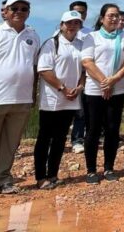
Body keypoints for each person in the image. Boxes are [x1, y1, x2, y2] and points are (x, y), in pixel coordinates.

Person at [0, 0, 41, 196]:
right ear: (5, 12)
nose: (19, 12)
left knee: (10, 143)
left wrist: (32, 94)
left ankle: (2, 180)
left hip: (21, 99)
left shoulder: (33, 36)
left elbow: (32, 67)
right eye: (15, 8)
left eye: (24, 9)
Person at [81, 3, 124, 184]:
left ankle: (109, 167)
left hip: (117, 89)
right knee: (93, 130)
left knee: (112, 129)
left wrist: (114, 80)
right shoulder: (92, 37)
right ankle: (91, 170)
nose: (114, 18)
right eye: (110, 15)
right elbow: (87, 62)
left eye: (117, 15)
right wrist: (105, 82)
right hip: (95, 89)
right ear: (102, 18)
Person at [34, 10, 85, 189]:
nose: (72, 26)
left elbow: (84, 69)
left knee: (60, 138)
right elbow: (44, 70)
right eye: (68, 23)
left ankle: (53, 174)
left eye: (76, 23)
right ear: (61, 24)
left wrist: (79, 87)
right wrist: (62, 88)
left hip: (71, 99)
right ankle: (40, 177)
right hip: (52, 99)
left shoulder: (81, 44)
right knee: (45, 138)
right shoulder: (51, 43)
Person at [68, 1, 90, 155]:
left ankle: (78, 139)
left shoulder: (91, 33)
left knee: (82, 111)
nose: (79, 15)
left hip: (86, 76)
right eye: (76, 12)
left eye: (82, 12)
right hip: (68, 77)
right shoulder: (61, 31)